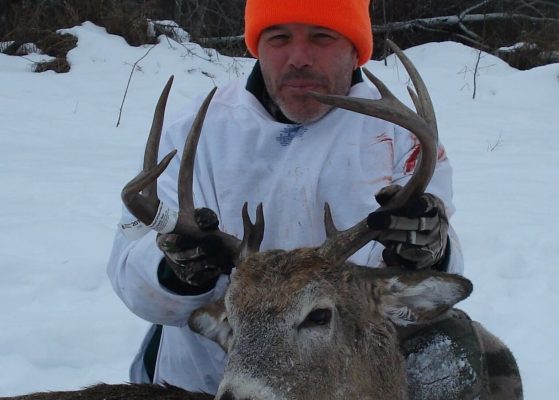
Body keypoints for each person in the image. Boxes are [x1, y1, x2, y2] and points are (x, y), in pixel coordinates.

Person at [107, 0, 464, 394]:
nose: (299, 57)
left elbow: (435, 281)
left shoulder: (400, 137)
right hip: (208, 384)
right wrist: (173, 271)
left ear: (355, 48)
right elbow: (131, 276)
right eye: (278, 38)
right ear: (258, 47)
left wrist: (426, 250)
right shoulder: (198, 132)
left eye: (321, 36)